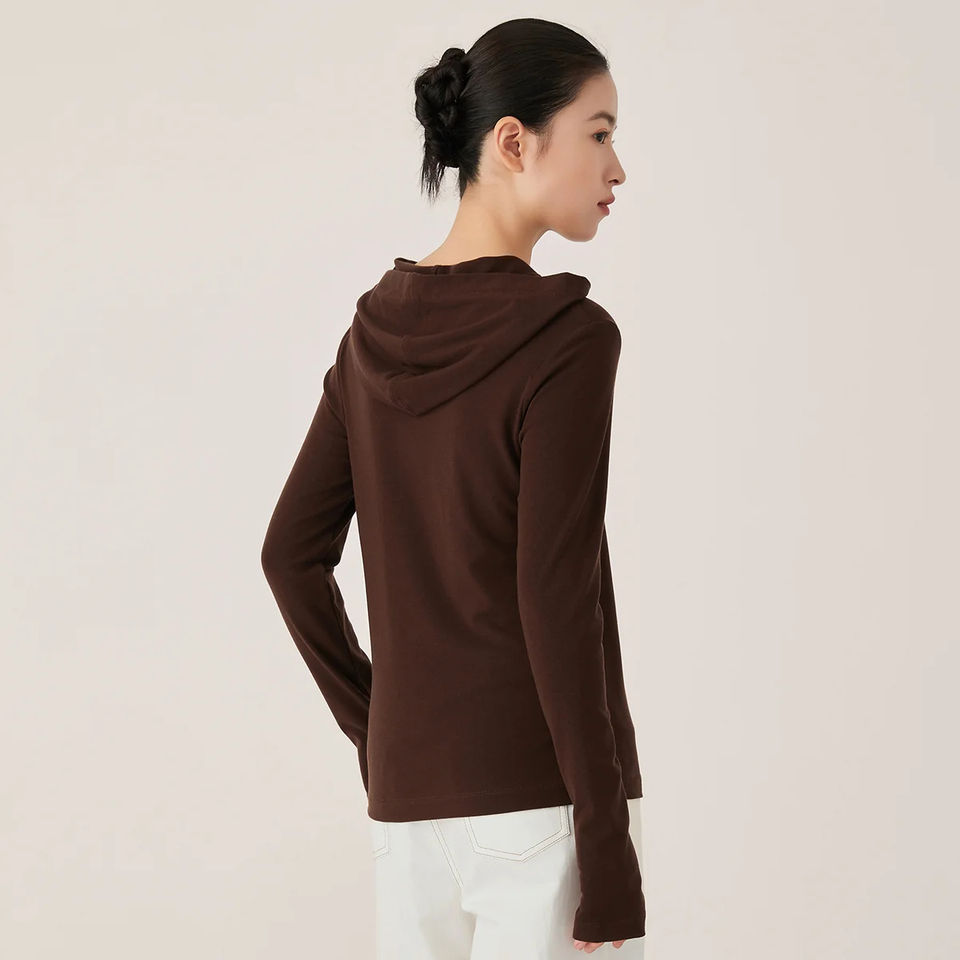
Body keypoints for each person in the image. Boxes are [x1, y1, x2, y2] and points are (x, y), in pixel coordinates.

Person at [260, 16, 645, 959]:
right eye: (598, 132)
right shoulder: (567, 338)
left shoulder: (370, 337)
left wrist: (378, 731)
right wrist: (604, 842)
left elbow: (288, 558)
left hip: (411, 818)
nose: (617, 167)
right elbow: (555, 596)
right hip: (544, 803)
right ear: (514, 141)